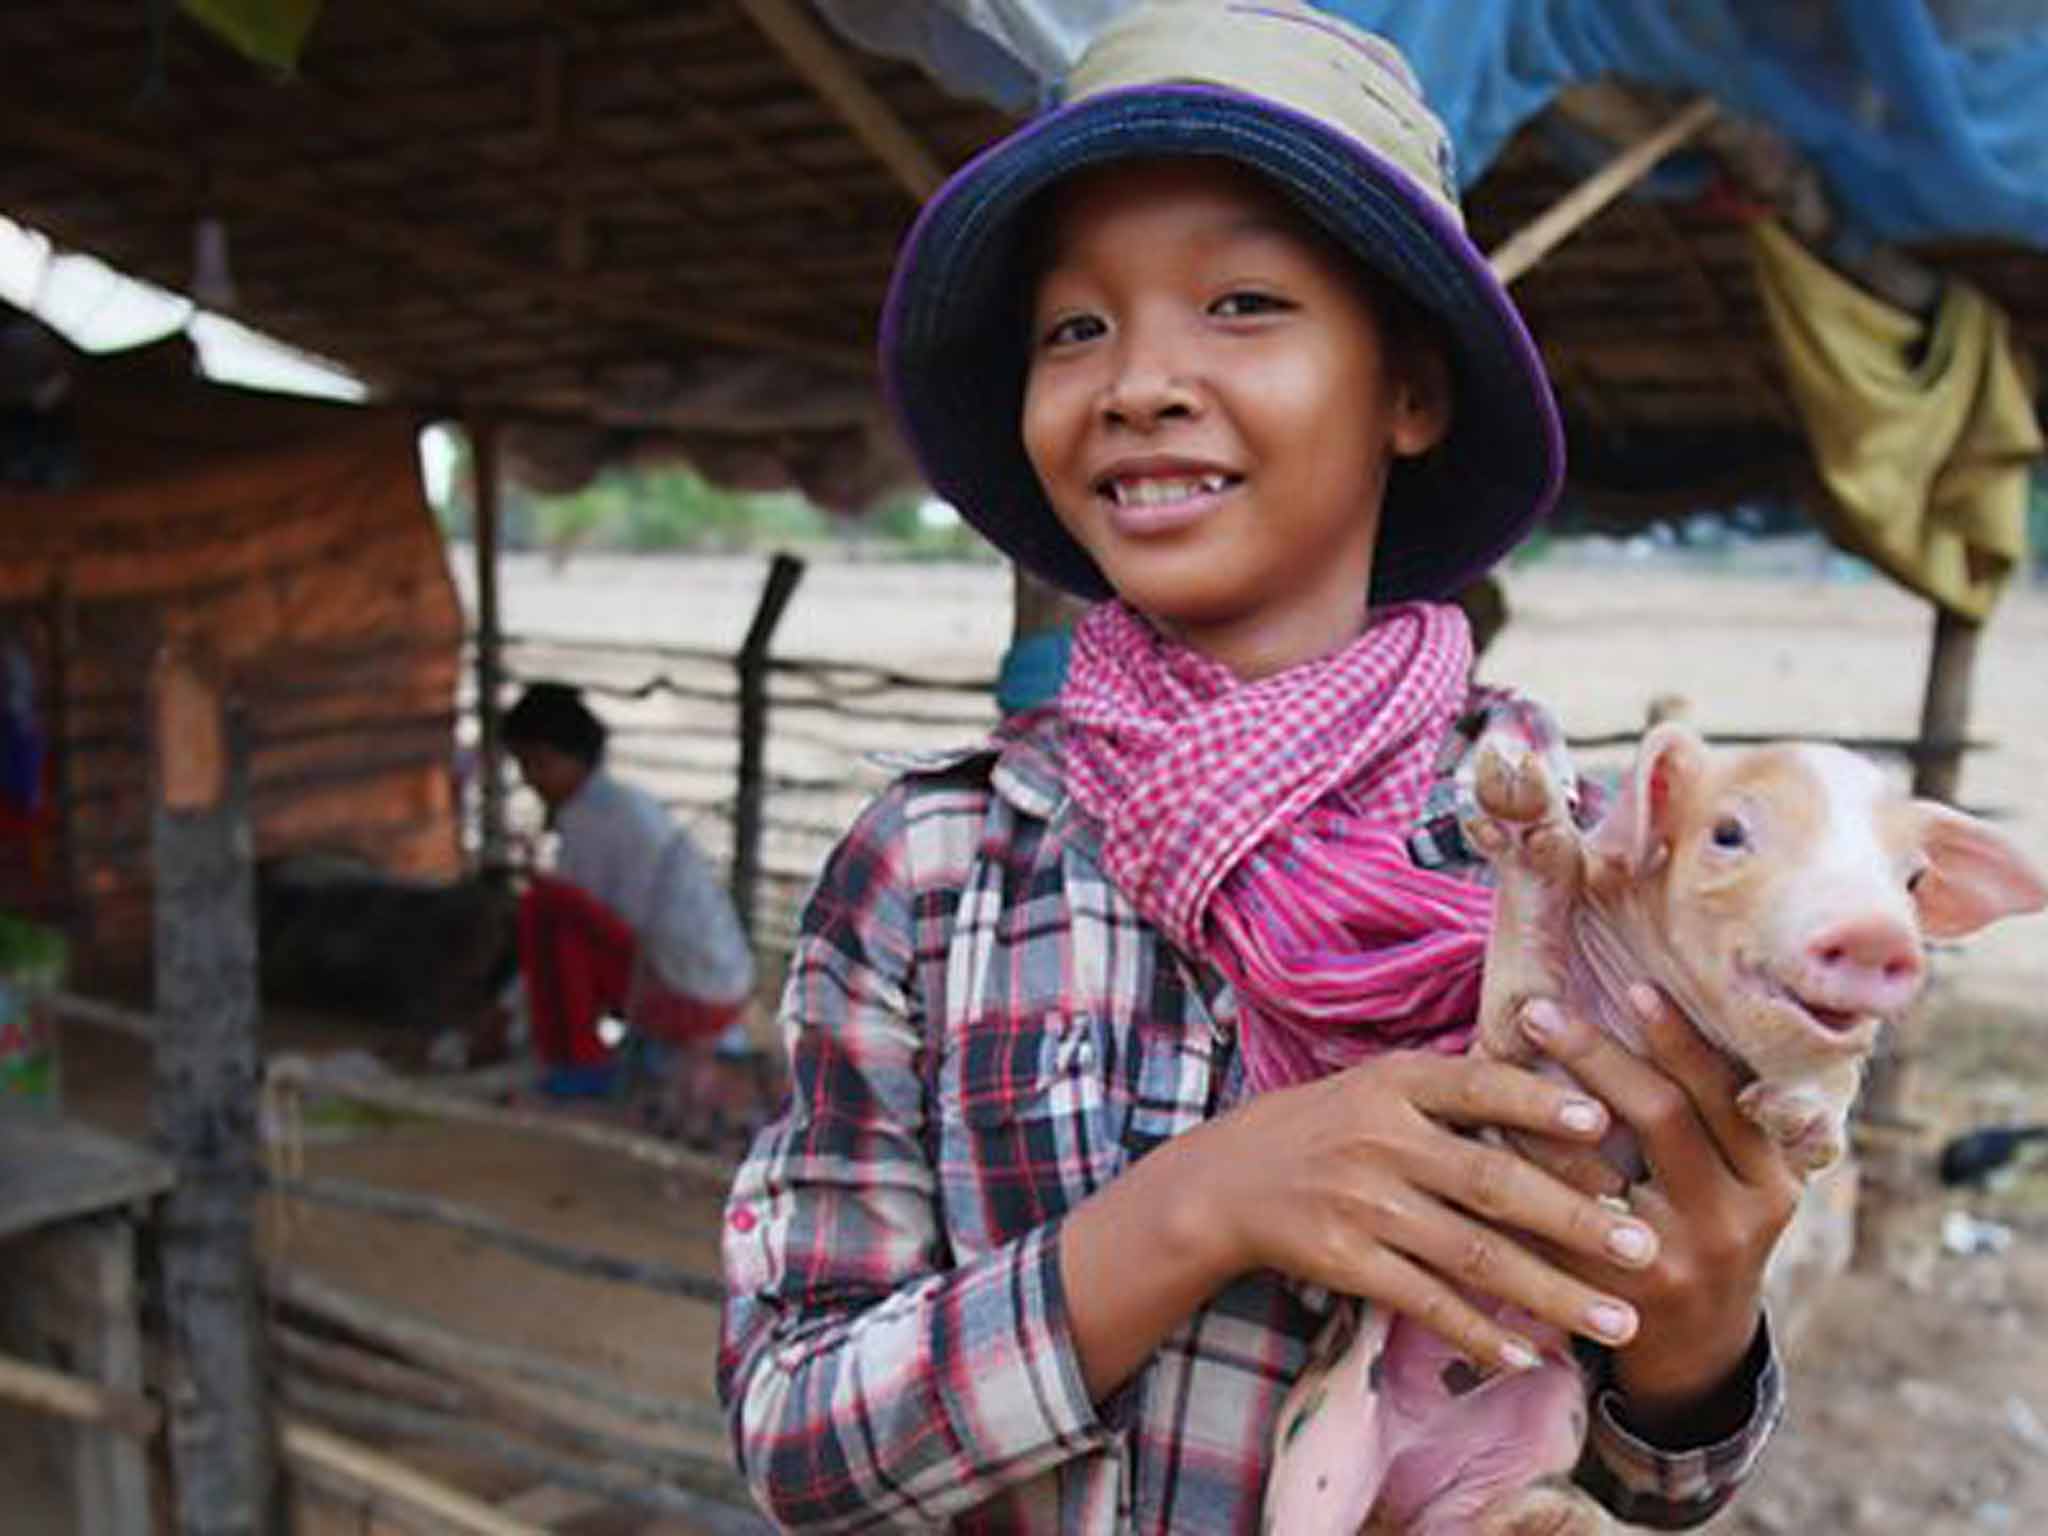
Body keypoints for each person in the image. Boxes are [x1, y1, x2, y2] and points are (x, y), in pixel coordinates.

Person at [718, 4, 1795, 1530]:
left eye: (1239, 303)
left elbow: (1656, 1473)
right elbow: (795, 1439)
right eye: (1074, 327)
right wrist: (1200, 1206)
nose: (1139, 380)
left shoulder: (1584, 871)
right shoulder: (933, 864)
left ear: (1410, 393)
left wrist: (1689, 1351)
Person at [500, 682, 759, 1133]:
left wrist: (507, 1011)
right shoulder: (621, 805)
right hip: (718, 995)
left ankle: (579, 1065)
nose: (530, 780)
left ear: (554, 757)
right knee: (556, 905)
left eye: (532, 765)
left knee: (549, 906)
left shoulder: (595, 820)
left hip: (683, 1000)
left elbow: (580, 937)